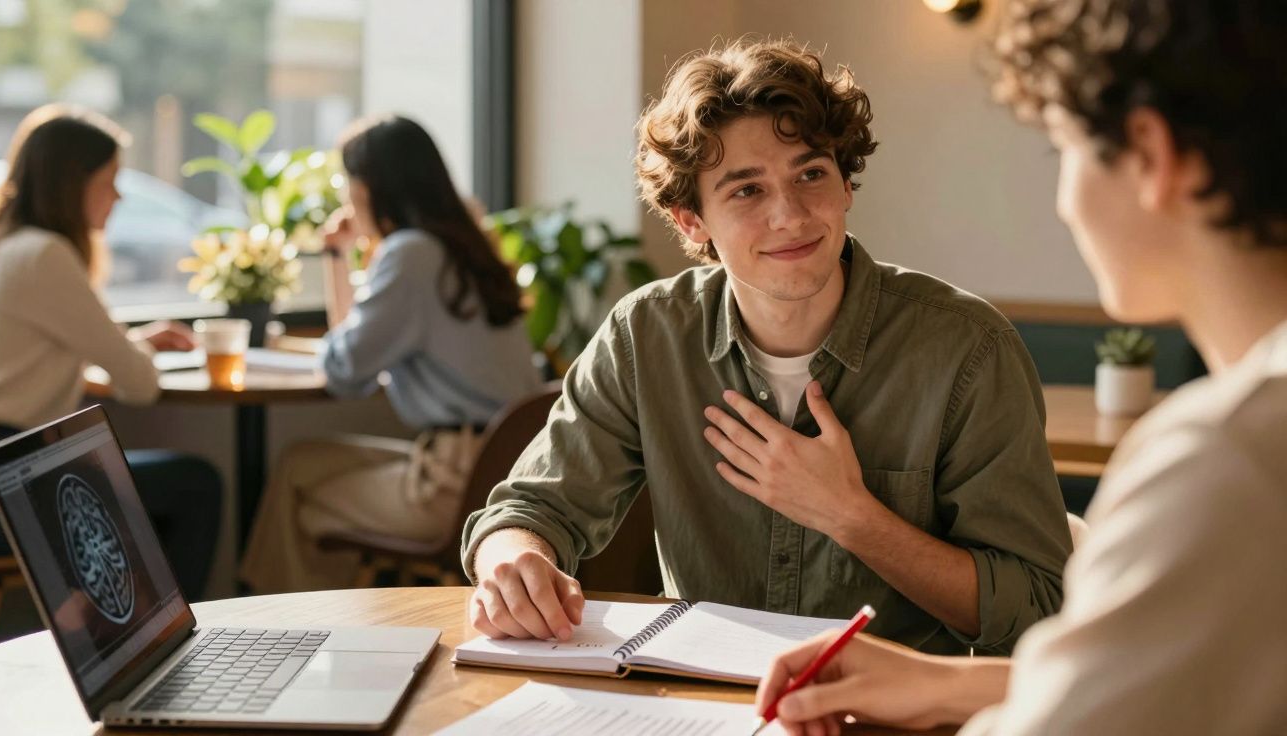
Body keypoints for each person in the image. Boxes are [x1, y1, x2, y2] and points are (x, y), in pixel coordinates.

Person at [756, 2, 1287, 734]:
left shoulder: (1227, 460)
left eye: (1060, 150)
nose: (1065, 203)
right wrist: (945, 685)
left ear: (1149, 154)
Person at [461, 38, 1072, 656]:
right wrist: (513, 561)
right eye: (746, 190)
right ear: (690, 221)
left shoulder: (968, 350)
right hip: (698, 710)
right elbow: (530, 510)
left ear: (846, 184)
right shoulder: (645, 337)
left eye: (811, 173)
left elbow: (1035, 608)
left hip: (889, 717)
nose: (791, 214)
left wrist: (850, 515)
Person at [239, 115, 542, 594]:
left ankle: (276, 629)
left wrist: (355, 256)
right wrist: (341, 257)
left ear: (370, 188)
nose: (346, 196)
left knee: (299, 500)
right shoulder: (461, 247)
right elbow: (355, 355)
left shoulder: (411, 254)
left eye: (348, 182)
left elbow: (343, 370)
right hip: (493, 466)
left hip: (450, 483)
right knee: (299, 462)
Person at [0, 104, 223, 600]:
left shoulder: (7, 248)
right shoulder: (47, 256)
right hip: (5, 486)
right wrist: (133, 349)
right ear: (73, 184)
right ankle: (176, 639)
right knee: (197, 483)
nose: (119, 195)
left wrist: (134, 342)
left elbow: (43, 350)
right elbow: (141, 384)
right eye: (109, 180)